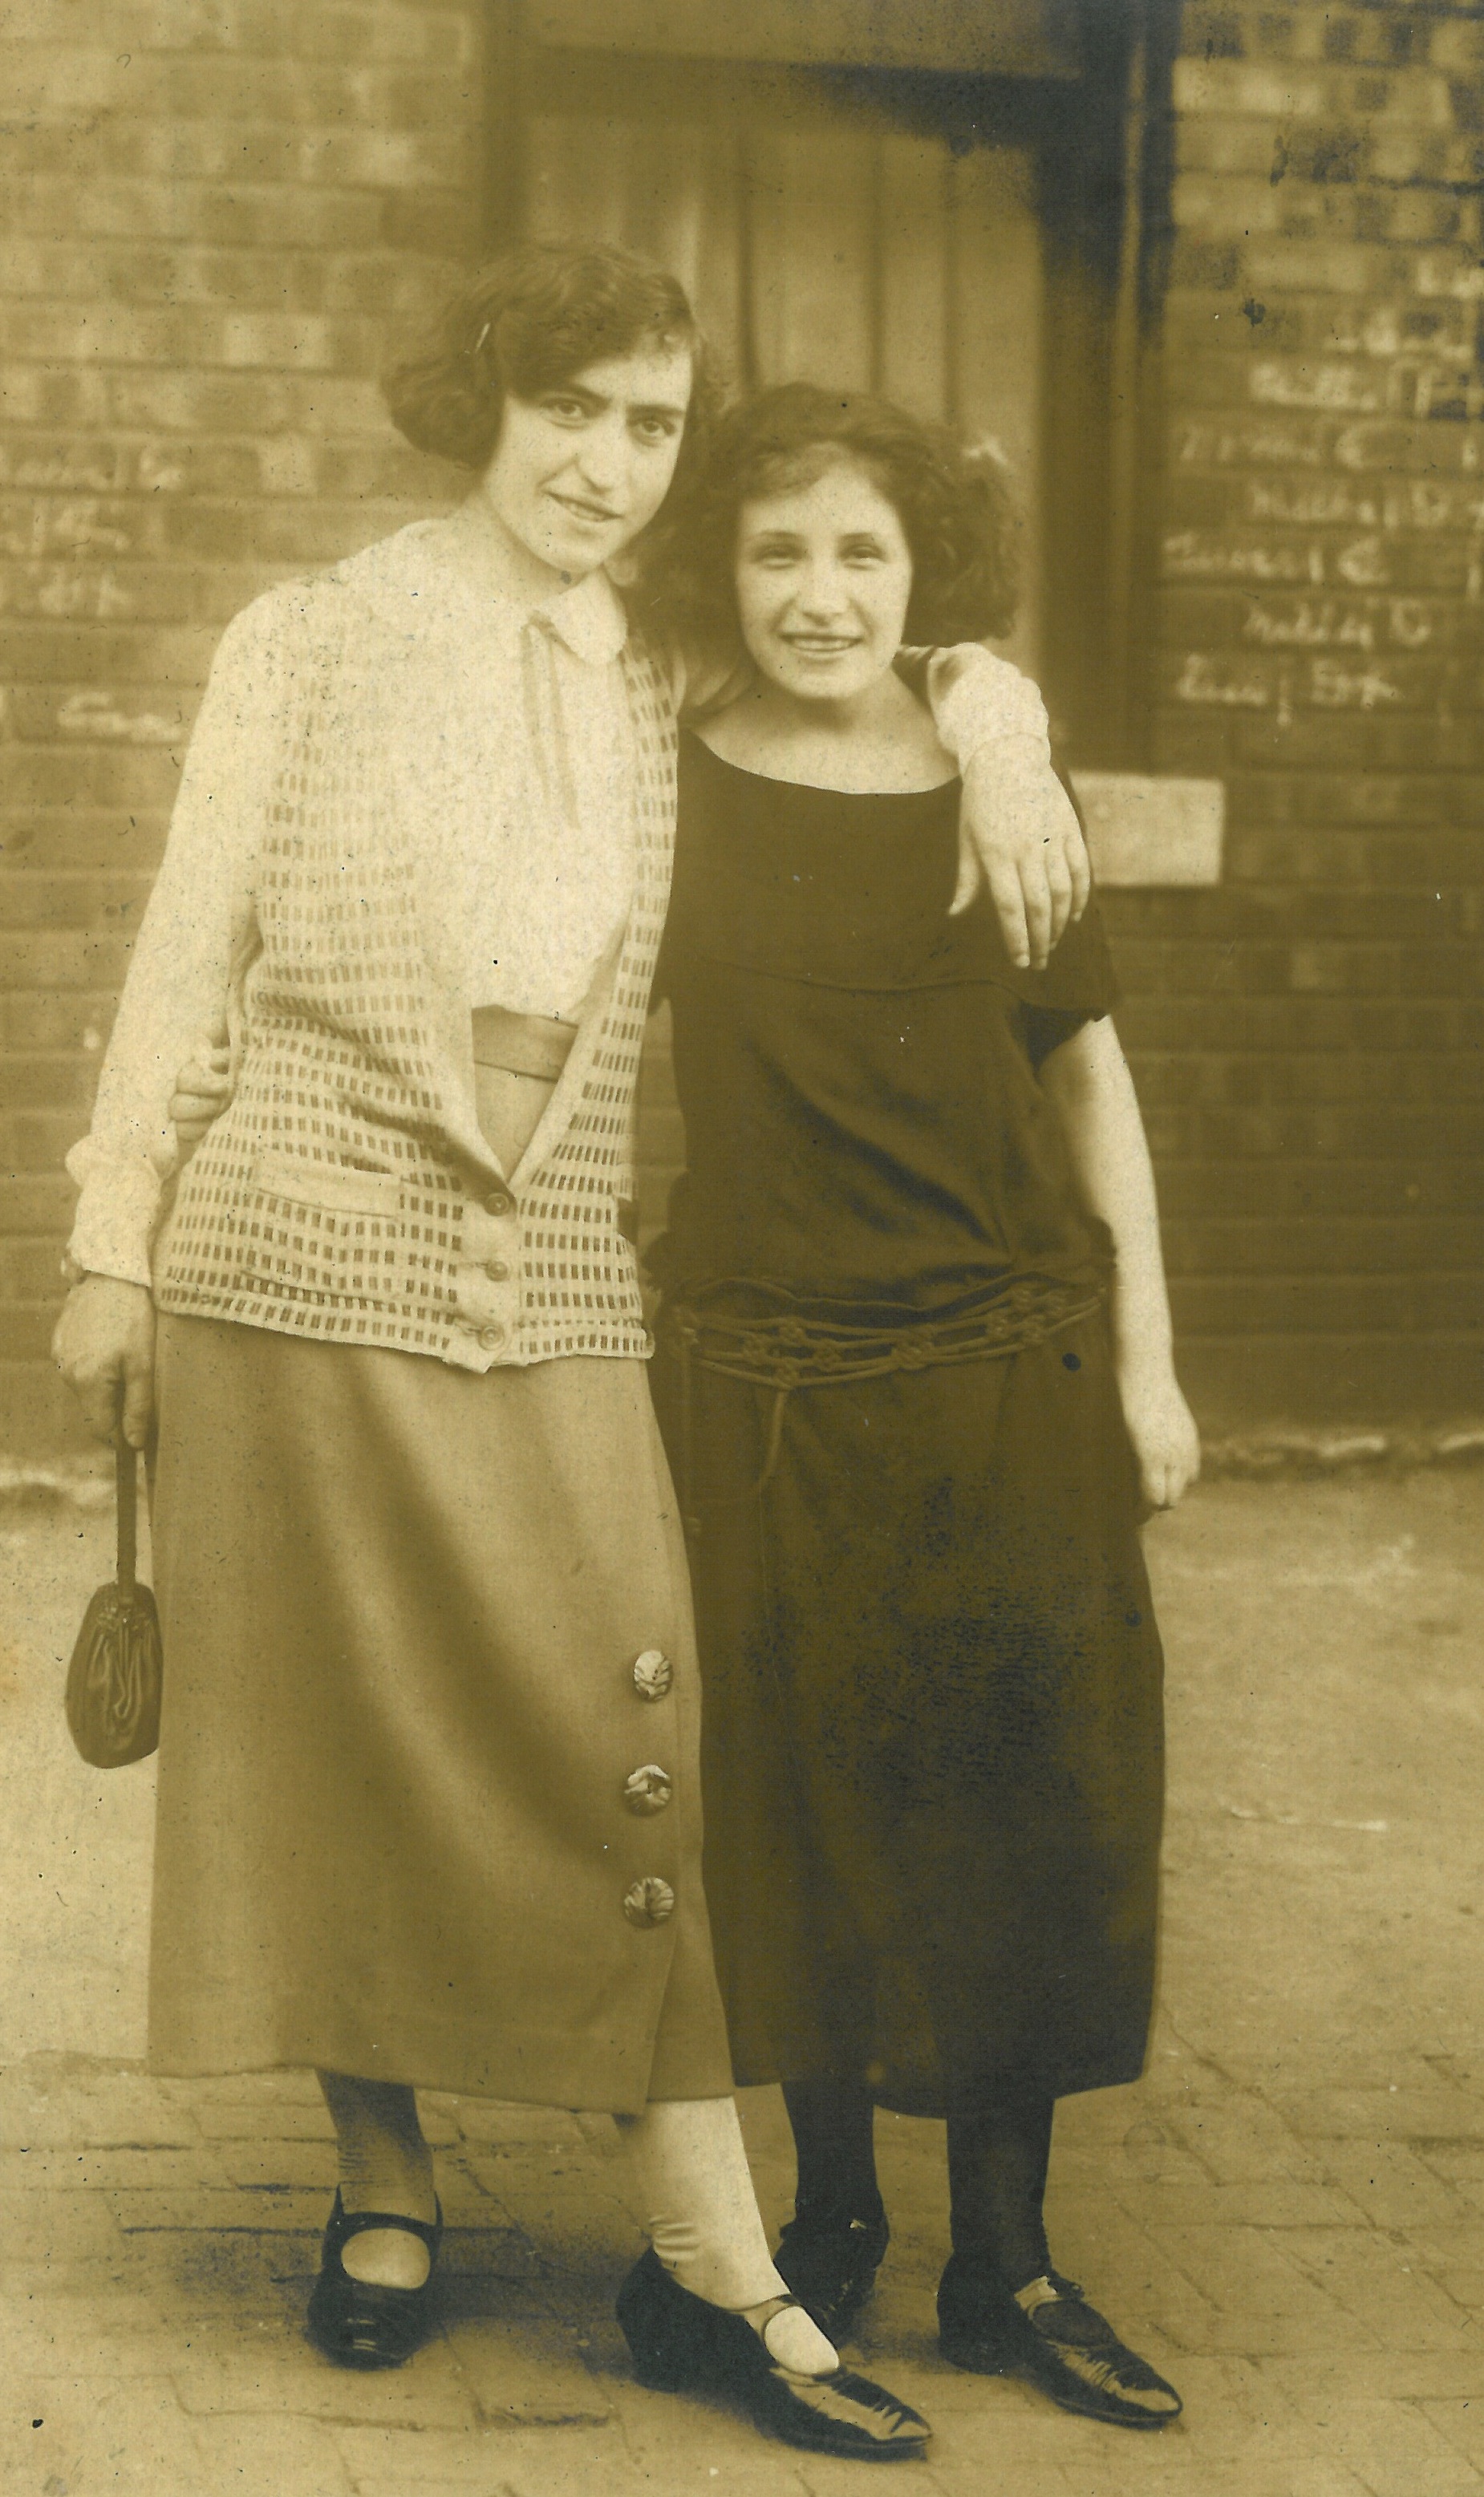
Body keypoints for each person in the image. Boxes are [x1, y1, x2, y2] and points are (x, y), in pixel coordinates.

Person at [52, 243, 1085, 2458]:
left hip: (556, 1281)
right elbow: (185, 940)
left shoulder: (668, 657)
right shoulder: (311, 638)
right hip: (285, 1259)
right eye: (572, 411)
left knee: (629, 1734)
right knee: (330, 1745)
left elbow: (894, 641)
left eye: (650, 426)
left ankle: (712, 2265)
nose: (610, 465)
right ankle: (383, 2189)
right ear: (483, 402)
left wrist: (1000, 733)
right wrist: (110, 1242)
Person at [636, 382, 1202, 2431]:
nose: (819, 591)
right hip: (764, 1388)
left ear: (923, 573)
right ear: (721, 567)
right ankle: (834, 2221)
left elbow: (1088, 1083)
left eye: (862, 551)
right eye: (776, 548)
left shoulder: (995, 793)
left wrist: (1147, 1367)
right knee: (796, 1812)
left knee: (1020, 1807)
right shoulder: (662, 778)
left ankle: (1007, 2264)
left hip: (1000, 1377)